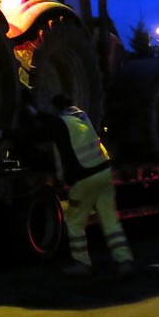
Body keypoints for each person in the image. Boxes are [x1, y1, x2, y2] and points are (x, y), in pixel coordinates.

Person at [40, 92, 136, 279]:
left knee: (75, 222)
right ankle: (124, 261)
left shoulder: (61, 124)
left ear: (56, 108)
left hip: (85, 179)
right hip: (103, 174)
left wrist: (2, 133)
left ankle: (81, 263)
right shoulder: (82, 116)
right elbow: (55, 123)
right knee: (110, 221)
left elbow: (41, 132)